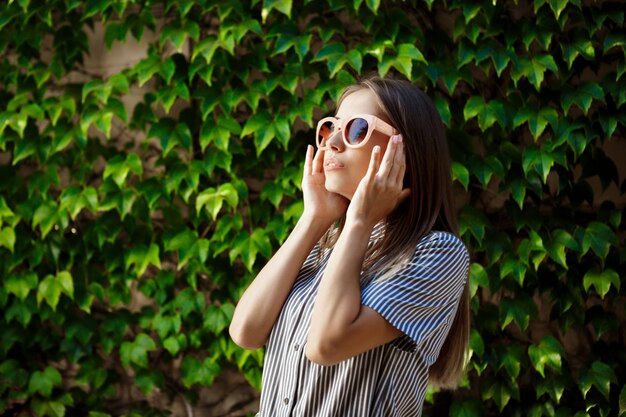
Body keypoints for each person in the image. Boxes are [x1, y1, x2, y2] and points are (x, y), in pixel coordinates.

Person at [229, 75, 470, 417]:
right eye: (330, 128)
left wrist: (359, 221)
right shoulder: (326, 244)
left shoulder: (436, 253)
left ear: (407, 151)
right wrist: (314, 217)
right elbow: (245, 331)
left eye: (357, 129)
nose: (333, 143)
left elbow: (327, 344)